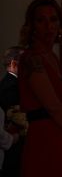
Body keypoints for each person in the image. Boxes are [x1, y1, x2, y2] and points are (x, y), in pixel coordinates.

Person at [18, 0, 62, 177]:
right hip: (44, 136)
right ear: (32, 25)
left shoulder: (53, 58)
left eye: (53, 19)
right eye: (41, 20)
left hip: (60, 133)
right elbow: (52, 105)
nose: (48, 25)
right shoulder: (31, 58)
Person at [0, 47, 24, 177]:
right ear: (14, 64)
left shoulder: (13, 83)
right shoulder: (10, 86)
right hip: (13, 146)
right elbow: (15, 117)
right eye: (24, 62)